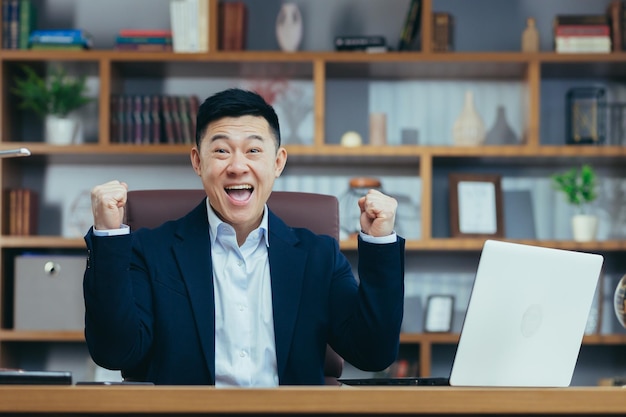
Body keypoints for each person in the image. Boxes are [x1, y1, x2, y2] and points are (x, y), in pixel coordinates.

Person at [84, 88, 405, 386]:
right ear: (198, 161)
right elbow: (115, 352)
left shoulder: (318, 257)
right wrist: (109, 236)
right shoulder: (150, 250)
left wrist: (379, 243)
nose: (238, 166)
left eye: (253, 150)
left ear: (277, 162)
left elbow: (372, 353)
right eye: (221, 150)